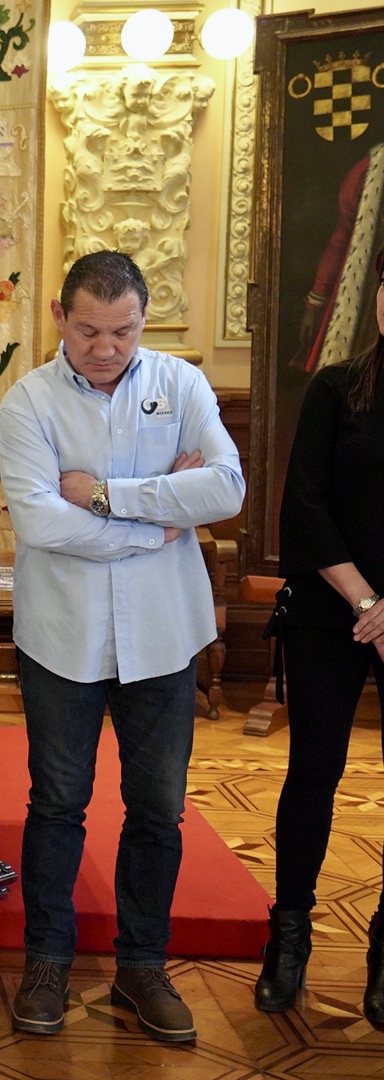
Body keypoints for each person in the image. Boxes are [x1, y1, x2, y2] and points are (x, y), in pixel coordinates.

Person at [0, 251, 244, 1043]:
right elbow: (40, 521)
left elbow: (226, 488)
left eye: (123, 331)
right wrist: (159, 524)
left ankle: (142, 966)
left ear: (143, 320)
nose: (105, 348)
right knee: (57, 804)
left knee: (158, 810)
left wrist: (104, 495)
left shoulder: (181, 384)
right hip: (61, 636)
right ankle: (47, 961)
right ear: (59, 318)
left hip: (165, 636)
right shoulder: (28, 402)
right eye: (88, 331)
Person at [256, 245, 384, 1020]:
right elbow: (302, 504)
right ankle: (290, 935)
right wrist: (369, 601)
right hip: (327, 608)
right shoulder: (335, 388)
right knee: (313, 772)